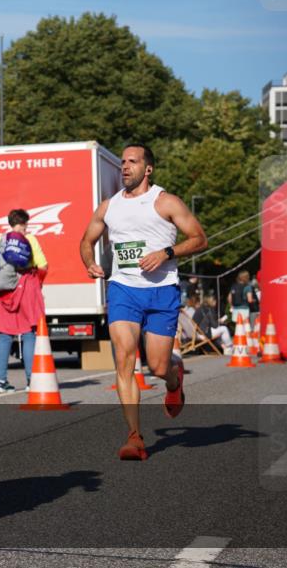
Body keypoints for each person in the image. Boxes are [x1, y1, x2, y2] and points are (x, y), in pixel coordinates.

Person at [79, 143, 207, 460]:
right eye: (122, 162)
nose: (124, 166)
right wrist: (89, 262)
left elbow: (199, 239)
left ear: (147, 169)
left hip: (162, 291)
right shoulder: (108, 207)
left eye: (132, 162)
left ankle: (174, 380)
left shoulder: (165, 202)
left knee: (159, 365)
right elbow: (86, 240)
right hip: (123, 289)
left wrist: (166, 253)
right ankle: (134, 436)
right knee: (124, 360)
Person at [0, 208, 49, 393]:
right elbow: (43, 265)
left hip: (5, 291)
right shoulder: (30, 240)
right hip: (27, 287)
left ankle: (0, 381)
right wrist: (38, 283)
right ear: (24, 224)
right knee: (29, 333)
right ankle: (32, 380)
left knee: (4, 335)